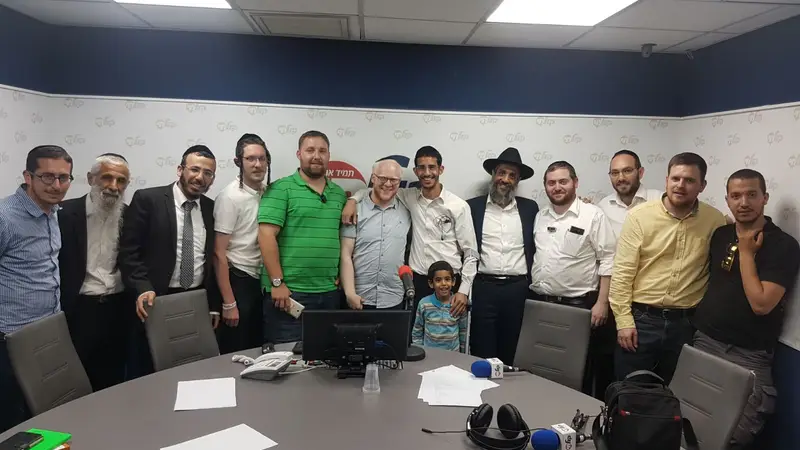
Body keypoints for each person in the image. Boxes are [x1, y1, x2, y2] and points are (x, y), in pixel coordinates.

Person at [692, 169, 800, 449]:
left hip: (748, 356)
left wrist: (747, 253)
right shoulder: (720, 235)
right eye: (736, 196)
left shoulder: (783, 245)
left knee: (730, 439)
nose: (743, 202)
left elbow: (761, 304)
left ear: (765, 197)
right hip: (704, 343)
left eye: (752, 195)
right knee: (688, 428)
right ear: (727, 200)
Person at [610, 152, 726, 384]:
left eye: (689, 180)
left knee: (677, 392)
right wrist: (623, 322)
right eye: (675, 178)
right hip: (641, 322)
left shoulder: (715, 221)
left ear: (702, 186)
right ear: (666, 180)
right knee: (630, 390)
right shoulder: (639, 217)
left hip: (686, 325)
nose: (680, 185)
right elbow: (622, 273)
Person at [343, 146, 478, 329]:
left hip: (449, 283)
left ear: (441, 169)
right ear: (415, 171)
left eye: (432, 167)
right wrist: (353, 200)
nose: (427, 173)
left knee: (448, 337)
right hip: (418, 283)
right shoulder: (408, 196)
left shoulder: (458, 206)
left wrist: (463, 290)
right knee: (415, 338)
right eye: (422, 168)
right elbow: (375, 189)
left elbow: (471, 253)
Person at [118, 145, 221, 378]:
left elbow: (211, 260)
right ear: (180, 170)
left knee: (191, 370)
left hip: (195, 300)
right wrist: (142, 288)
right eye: (195, 169)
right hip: (154, 300)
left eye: (208, 173)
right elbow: (129, 252)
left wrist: (213, 304)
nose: (200, 177)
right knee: (148, 371)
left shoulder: (210, 208)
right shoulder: (148, 199)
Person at [0, 145, 73, 431]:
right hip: (10, 338)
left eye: (64, 178)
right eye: (47, 177)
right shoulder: (5, 217)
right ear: (28, 177)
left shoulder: (53, 211)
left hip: (46, 331)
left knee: (41, 414)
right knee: (12, 421)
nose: (56, 185)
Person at [529, 160, 616, 398]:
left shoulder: (592, 215)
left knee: (577, 371)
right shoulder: (540, 216)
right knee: (542, 367)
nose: (557, 187)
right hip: (542, 303)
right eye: (551, 183)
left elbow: (609, 259)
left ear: (575, 183)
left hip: (578, 306)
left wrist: (602, 303)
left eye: (563, 181)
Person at [258, 130, 346, 344]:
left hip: (329, 294)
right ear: (299, 154)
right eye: (310, 150)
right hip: (289, 294)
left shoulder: (339, 194)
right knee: (287, 357)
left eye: (322, 151)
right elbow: (266, 236)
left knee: (326, 357)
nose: (316, 156)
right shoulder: (281, 189)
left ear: (329, 155)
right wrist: (277, 283)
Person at [58, 153, 130, 391]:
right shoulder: (63, 213)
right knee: (73, 377)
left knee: (112, 377)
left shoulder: (130, 215)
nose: (114, 186)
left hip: (117, 307)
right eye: (107, 178)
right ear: (91, 179)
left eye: (121, 181)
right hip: (78, 309)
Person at [466, 147, 537, 366]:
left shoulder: (530, 209)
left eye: (512, 175)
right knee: (481, 349)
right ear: (493, 174)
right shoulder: (472, 207)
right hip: (484, 288)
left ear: (518, 181)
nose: (505, 179)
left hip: (517, 290)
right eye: (501, 173)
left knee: (513, 349)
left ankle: (509, 388)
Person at [214, 134, 271, 353]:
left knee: (257, 349)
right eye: (250, 159)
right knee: (236, 349)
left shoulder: (267, 192)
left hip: (260, 280)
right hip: (238, 280)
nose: (257, 164)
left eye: (262, 158)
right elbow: (218, 253)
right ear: (238, 162)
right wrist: (229, 302)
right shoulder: (229, 197)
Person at [340, 159, 411, 310]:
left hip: (394, 297)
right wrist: (350, 293)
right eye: (383, 178)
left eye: (394, 180)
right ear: (373, 178)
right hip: (359, 298)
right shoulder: (355, 211)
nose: (388, 184)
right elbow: (345, 254)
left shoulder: (408, 210)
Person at [598, 150, 662, 238]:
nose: (621, 178)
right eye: (615, 173)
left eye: (627, 171)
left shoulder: (661, 201)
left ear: (640, 173)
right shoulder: (603, 207)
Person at [411, 261, 467, 353]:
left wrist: (463, 353)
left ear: (453, 281)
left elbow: (463, 332)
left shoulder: (458, 304)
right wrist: (419, 351)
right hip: (429, 354)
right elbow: (417, 331)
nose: (443, 283)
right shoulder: (424, 304)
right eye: (438, 280)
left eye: (447, 279)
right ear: (431, 283)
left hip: (453, 354)